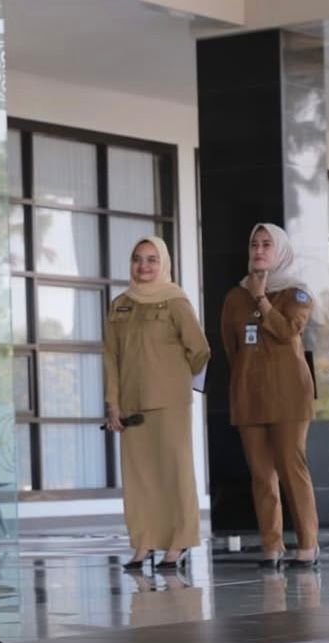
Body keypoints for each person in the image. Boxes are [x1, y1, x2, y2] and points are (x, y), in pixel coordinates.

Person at [104, 237, 209, 572]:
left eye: (152, 259)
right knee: (139, 477)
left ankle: (179, 542)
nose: (144, 266)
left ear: (163, 263)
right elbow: (111, 357)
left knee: (175, 472)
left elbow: (199, 349)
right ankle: (144, 542)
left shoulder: (175, 301)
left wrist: (174, 376)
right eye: (138, 259)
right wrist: (113, 403)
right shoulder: (120, 304)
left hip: (169, 402)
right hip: (131, 403)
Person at [220, 223, 320, 570]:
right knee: (262, 475)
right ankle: (272, 545)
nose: (259, 250)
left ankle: (308, 544)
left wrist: (262, 298)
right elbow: (231, 348)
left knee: (292, 469)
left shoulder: (297, 294)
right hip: (250, 395)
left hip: (289, 396)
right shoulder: (235, 297)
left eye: (267, 244)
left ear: (281, 251)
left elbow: (287, 331)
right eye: (254, 244)